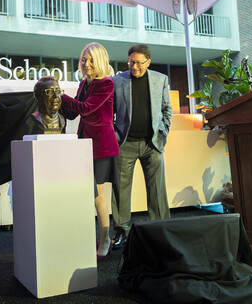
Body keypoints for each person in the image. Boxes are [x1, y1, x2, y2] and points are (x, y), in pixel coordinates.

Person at [61, 42, 119, 260]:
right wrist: (58, 103)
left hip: (101, 147)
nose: (87, 64)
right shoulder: (84, 84)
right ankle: (95, 237)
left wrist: (61, 96)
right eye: (84, 59)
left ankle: (106, 240)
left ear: (101, 61)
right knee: (88, 195)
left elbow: (85, 108)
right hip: (84, 145)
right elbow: (75, 113)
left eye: (92, 60)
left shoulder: (106, 84)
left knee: (97, 197)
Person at [111, 44, 172, 249]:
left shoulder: (160, 79)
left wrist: (163, 134)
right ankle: (121, 232)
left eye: (138, 62)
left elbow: (166, 109)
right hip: (125, 143)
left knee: (157, 190)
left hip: (152, 144)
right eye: (130, 62)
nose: (134, 66)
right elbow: (109, 113)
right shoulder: (117, 81)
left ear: (148, 62)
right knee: (121, 190)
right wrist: (114, 135)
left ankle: (161, 228)